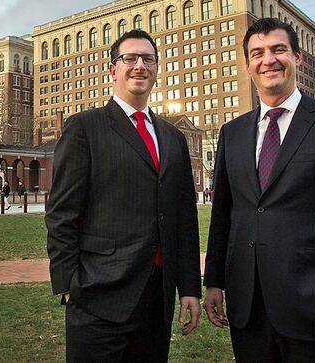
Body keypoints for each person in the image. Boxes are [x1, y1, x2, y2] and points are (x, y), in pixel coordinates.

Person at [203, 18, 315, 362]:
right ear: (247, 65)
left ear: (297, 57)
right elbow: (225, 214)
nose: (268, 60)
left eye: (278, 50)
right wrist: (214, 281)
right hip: (251, 311)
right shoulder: (232, 132)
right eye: (257, 53)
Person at [46, 29, 201, 362]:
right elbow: (61, 213)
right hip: (99, 295)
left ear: (156, 68)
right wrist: (68, 283)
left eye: (148, 59)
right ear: (113, 70)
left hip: (157, 299)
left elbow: (184, 218)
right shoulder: (85, 127)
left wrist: (189, 287)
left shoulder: (173, 138)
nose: (139, 66)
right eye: (129, 58)